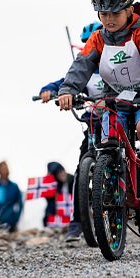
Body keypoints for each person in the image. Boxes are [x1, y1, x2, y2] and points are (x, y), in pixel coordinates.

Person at [57, 0, 140, 210]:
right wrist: (68, 90)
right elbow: (82, 65)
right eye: (103, 13)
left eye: (115, 13)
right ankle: (111, 184)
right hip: (116, 100)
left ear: (129, 10)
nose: (108, 19)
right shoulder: (98, 39)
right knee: (106, 138)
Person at [39, 21, 103, 242]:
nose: (90, 46)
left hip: (117, 122)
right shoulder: (84, 70)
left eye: (92, 41)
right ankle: (77, 223)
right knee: (81, 170)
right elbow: (65, 82)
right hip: (93, 125)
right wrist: (49, 90)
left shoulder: (113, 68)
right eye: (86, 43)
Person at [43, 162, 74, 227]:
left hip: (71, 218)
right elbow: (49, 200)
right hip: (55, 220)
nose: (61, 174)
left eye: (62, 171)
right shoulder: (53, 185)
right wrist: (48, 178)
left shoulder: (73, 180)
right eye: (58, 173)